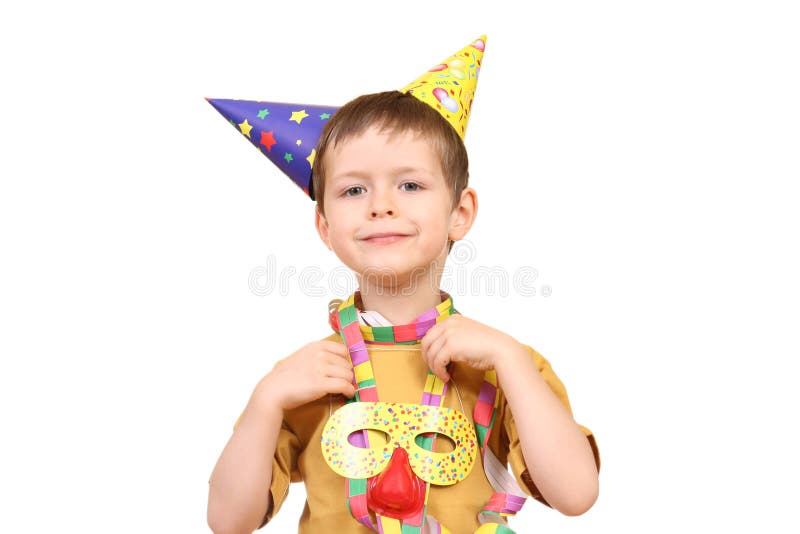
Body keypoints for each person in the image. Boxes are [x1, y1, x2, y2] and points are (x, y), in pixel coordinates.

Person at [206, 37, 599, 534]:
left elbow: (577, 495)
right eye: (353, 189)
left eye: (409, 185)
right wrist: (265, 403)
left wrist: (511, 363)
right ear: (325, 227)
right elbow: (226, 522)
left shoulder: (505, 366)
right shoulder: (308, 377)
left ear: (460, 214)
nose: (381, 205)